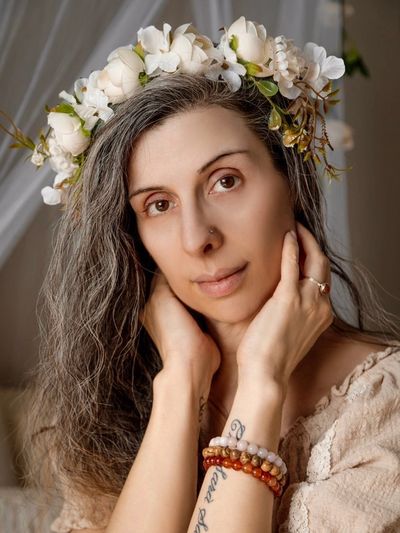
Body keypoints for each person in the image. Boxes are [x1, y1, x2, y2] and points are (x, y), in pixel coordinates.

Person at [14, 17, 399, 533]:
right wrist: (180, 382)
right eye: (157, 204)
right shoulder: (121, 401)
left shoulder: (384, 408)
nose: (197, 237)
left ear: (293, 184)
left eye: (225, 180)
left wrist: (263, 382)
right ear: (134, 235)